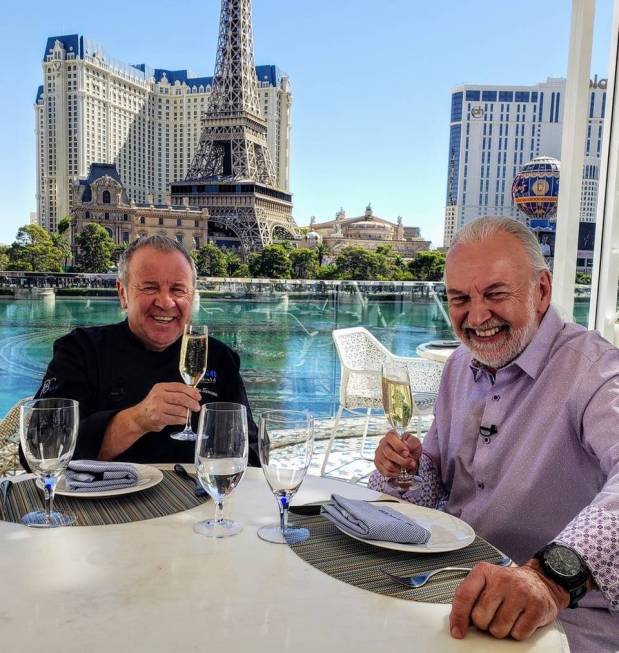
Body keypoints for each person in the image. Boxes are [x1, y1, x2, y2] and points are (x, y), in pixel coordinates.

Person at [370, 217, 619, 651]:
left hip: (562, 624)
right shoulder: (457, 369)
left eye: (496, 294)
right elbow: (434, 487)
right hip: (450, 592)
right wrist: (405, 470)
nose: (477, 315)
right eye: (460, 299)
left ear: (541, 291)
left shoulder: (596, 370)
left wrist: (551, 579)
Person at [21, 235, 259, 466]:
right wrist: (137, 420)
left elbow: (250, 453)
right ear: (123, 293)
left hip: (201, 500)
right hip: (101, 503)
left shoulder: (218, 357)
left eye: (178, 290)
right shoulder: (80, 350)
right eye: (149, 287)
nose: (165, 302)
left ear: (192, 295)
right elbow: (38, 449)